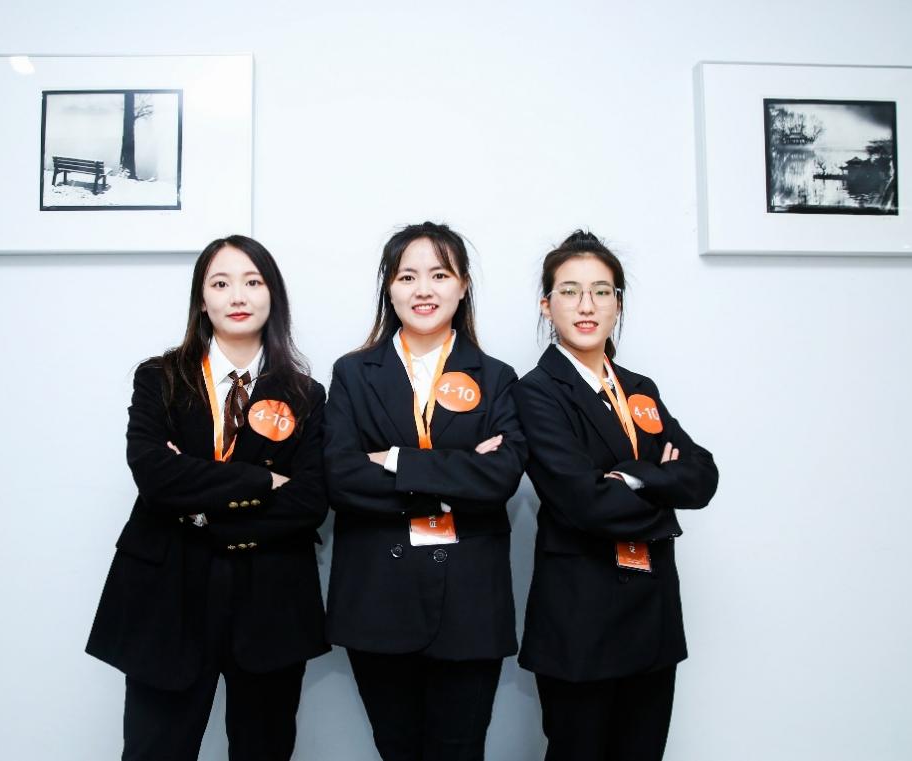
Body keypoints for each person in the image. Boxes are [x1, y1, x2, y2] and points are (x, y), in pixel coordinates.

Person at [86, 235, 330, 761]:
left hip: (270, 600)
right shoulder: (160, 378)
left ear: (273, 295)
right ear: (202, 299)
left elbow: (311, 501)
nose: (237, 295)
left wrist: (194, 503)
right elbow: (154, 476)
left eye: (252, 282)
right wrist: (262, 482)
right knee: (155, 751)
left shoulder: (306, 395)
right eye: (220, 283)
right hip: (167, 595)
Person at [323, 222, 527, 761]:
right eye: (407, 276)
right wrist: (460, 474)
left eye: (440, 275)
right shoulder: (352, 373)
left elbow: (500, 478)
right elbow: (341, 477)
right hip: (377, 596)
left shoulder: (497, 377)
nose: (423, 290)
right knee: (397, 749)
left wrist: (392, 460)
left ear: (463, 286)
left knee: (460, 750)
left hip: (469, 601)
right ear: (389, 288)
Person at [513, 231, 719, 761]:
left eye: (601, 291)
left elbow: (702, 476)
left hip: (652, 612)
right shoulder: (535, 392)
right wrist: (658, 478)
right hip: (581, 616)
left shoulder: (639, 387)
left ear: (618, 303)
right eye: (570, 291)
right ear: (547, 304)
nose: (587, 306)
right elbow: (585, 502)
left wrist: (630, 477)